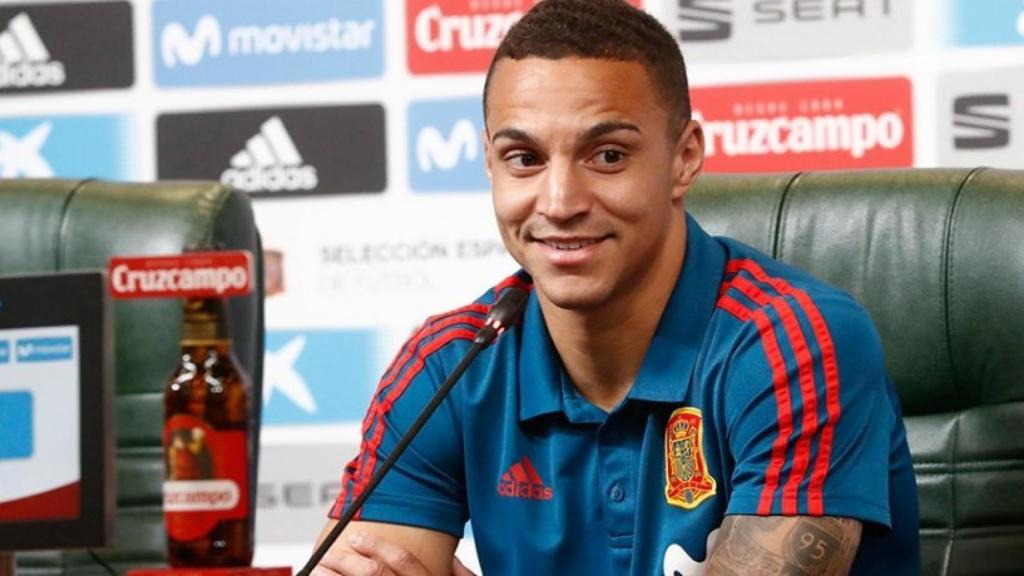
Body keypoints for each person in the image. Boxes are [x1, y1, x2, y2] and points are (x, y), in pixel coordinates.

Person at [312, 0, 920, 574]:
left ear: (683, 159)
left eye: (606, 156)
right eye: (524, 158)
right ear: (491, 165)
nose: (559, 202)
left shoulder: (795, 344)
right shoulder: (451, 361)